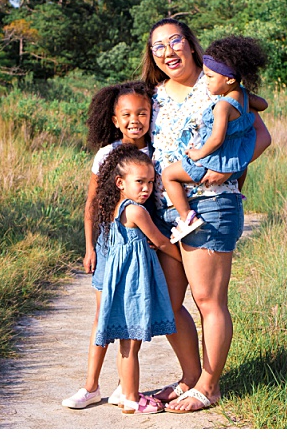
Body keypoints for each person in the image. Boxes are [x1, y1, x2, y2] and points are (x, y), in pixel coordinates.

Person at [140, 17, 272, 413]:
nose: (167, 52)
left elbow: (261, 135)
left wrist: (230, 168)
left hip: (211, 204)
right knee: (168, 301)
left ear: (191, 44)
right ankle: (190, 377)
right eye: (158, 46)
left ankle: (209, 386)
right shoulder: (153, 96)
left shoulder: (218, 83)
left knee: (207, 299)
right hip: (164, 208)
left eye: (174, 41)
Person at [63, 81, 157, 409]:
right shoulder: (106, 154)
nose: (135, 120)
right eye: (127, 114)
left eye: (142, 113)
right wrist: (89, 246)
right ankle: (90, 386)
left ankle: (123, 386)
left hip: (142, 248)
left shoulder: (157, 151)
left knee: (131, 316)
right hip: (107, 244)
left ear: (151, 114)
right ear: (115, 119)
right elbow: (91, 203)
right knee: (103, 314)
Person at [91, 144, 178, 415]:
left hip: (123, 285)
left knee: (126, 343)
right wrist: (182, 259)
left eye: (151, 182)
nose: (146, 188)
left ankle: (127, 392)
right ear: (120, 183)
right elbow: (161, 241)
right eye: (139, 182)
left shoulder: (117, 207)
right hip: (133, 287)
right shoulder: (137, 211)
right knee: (131, 344)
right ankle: (131, 398)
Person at [160, 36, 268, 242]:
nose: (206, 81)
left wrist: (198, 153)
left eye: (210, 77)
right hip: (235, 161)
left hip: (212, 160)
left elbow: (216, 139)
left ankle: (186, 218)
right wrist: (250, 97)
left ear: (229, 79)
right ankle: (238, 193)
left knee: (169, 175)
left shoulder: (222, 106)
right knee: (240, 171)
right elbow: (263, 104)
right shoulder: (244, 96)